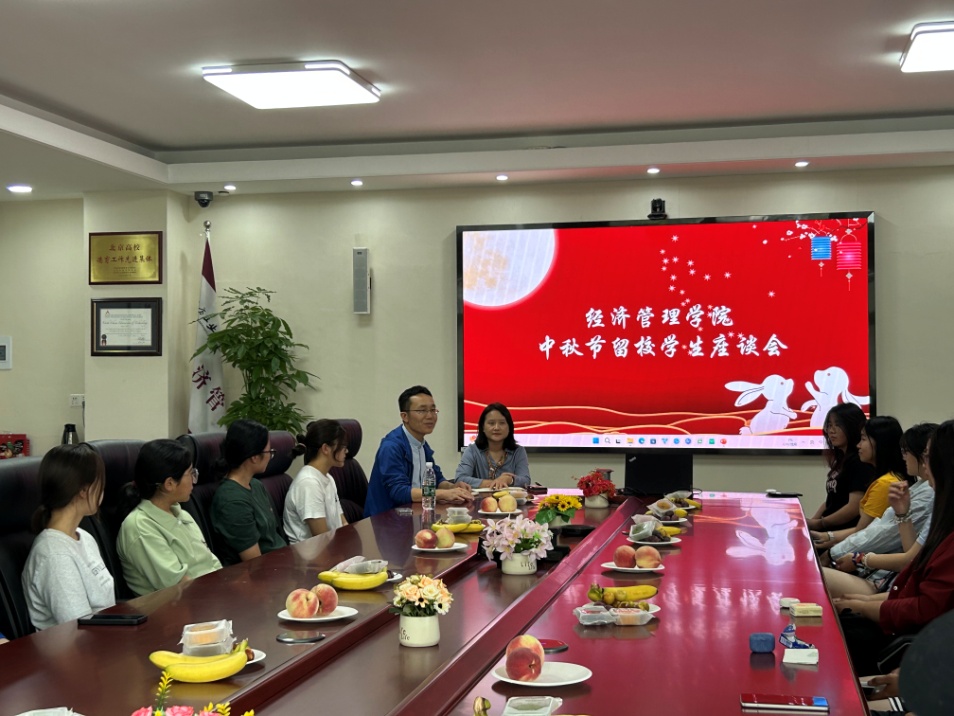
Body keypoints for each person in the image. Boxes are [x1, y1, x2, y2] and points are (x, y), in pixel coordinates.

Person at [835, 421, 954, 676]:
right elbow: (915, 567)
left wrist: (859, 560)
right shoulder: (936, 504)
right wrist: (903, 513)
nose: (924, 463)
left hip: (911, 631)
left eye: (927, 456)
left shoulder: (930, 499)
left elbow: (924, 605)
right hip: (897, 597)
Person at [822, 424, 936, 599]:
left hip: (885, 582)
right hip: (887, 579)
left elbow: (904, 555)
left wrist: (846, 555)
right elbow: (910, 553)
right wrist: (902, 514)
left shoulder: (928, 495)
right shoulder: (923, 488)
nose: (904, 456)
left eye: (928, 454)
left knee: (811, 576)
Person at [21, 444, 116, 630]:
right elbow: (79, 629)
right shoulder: (54, 555)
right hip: (78, 646)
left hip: (105, 637)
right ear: (83, 490)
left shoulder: (84, 537)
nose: (103, 489)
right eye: (100, 482)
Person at [116, 439, 222, 595]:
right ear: (169, 484)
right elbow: (180, 586)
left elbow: (210, 563)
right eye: (190, 473)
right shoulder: (140, 527)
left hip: (211, 596)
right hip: (180, 605)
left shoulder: (181, 514)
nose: (194, 480)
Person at [364, 385, 472, 517]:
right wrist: (444, 494)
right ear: (405, 416)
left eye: (433, 410)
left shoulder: (422, 445)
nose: (430, 416)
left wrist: (453, 487)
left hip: (414, 515)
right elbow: (399, 492)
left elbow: (437, 479)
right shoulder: (391, 447)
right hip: (386, 521)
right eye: (422, 411)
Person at [813, 416, 908, 552]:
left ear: (880, 443)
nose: (858, 445)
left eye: (863, 439)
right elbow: (862, 531)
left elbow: (862, 534)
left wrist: (829, 551)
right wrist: (827, 536)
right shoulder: (887, 478)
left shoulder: (885, 483)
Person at [209, 419, 287, 565]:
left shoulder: (256, 485)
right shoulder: (232, 501)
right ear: (254, 457)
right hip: (262, 571)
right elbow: (254, 563)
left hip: (282, 561)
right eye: (269, 452)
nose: (270, 457)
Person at [806, 404, 876, 532]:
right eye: (829, 425)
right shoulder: (842, 460)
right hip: (828, 529)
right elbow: (830, 501)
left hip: (842, 533)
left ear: (852, 427)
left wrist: (820, 524)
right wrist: (810, 523)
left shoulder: (859, 461)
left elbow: (854, 507)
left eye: (838, 425)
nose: (831, 431)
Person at [284, 419, 348, 542]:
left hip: (331, 547)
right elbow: (321, 538)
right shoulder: (309, 483)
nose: (346, 451)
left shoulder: (328, 478)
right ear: (326, 448)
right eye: (342, 446)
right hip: (311, 552)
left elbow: (342, 523)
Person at [455, 402, 530, 490]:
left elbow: (526, 480)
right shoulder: (472, 450)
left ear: (509, 427)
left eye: (502, 423)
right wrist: (494, 483)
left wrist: (509, 479)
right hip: (478, 499)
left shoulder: (518, 451)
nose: (496, 428)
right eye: (491, 423)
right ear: (483, 427)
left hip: (511, 498)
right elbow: (460, 479)